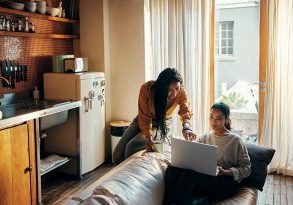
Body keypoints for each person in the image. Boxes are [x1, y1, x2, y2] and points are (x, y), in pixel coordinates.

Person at [164, 102, 251, 205]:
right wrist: (188, 142)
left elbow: (247, 169)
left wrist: (226, 172)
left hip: (225, 181)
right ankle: (170, 202)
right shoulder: (206, 137)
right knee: (172, 169)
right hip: (206, 176)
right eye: (211, 117)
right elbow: (192, 155)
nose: (214, 122)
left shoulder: (236, 140)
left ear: (227, 120)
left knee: (189, 175)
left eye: (218, 118)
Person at [113, 68, 197, 165]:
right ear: (161, 87)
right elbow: (144, 119)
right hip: (143, 118)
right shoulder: (147, 89)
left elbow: (185, 110)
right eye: (169, 90)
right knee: (117, 156)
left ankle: (129, 174)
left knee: (131, 147)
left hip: (163, 123)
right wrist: (149, 138)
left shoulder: (181, 92)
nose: (174, 94)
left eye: (177, 88)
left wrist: (186, 128)